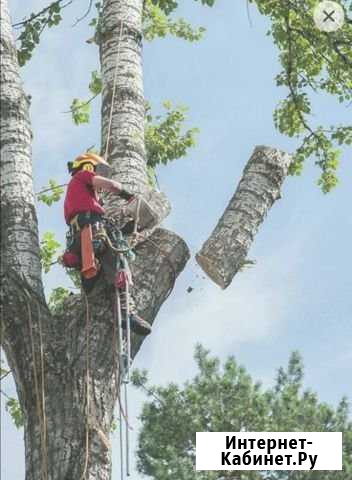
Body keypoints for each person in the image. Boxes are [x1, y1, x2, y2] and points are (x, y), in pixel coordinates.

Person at [62, 152, 152, 336]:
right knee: (119, 260)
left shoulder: (74, 196)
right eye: (98, 170)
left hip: (78, 240)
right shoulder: (83, 176)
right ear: (88, 167)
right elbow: (111, 185)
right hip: (93, 231)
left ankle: (91, 284)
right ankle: (127, 311)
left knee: (93, 269)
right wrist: (129, 196)